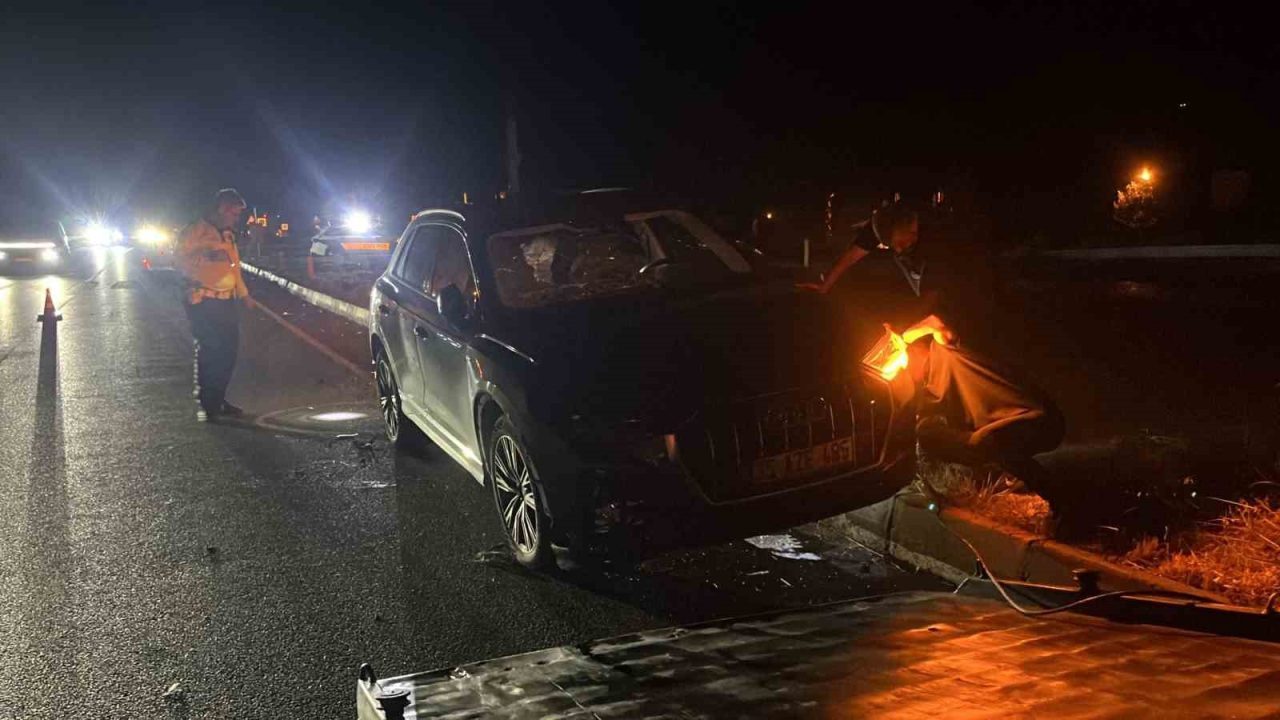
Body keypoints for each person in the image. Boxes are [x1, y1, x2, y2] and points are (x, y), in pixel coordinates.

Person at [803, 201, 1071, 520]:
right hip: (1017, 422)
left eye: (900, 242)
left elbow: (935, 320)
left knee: (981, 441)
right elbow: (859, 248)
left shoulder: (948, 346)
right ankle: (999, 473)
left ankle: (1066, 503)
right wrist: (825, 287)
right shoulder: (935, 383)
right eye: (890, 246)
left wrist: (902, 337)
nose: (897, 250)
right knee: (941, 433)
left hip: (1038, 420)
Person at [176, 188, 252, 422]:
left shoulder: (228, 235)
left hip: (226, 300)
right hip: (202, 300)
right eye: (234, 213)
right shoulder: (195, 231)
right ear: (222, 209)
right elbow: (179, 260)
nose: (236, 218)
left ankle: (218, 398)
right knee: (211, 350)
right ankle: (209, 404)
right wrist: (205, 257)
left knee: (228, 351)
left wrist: (244, 294)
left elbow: (235, 267)